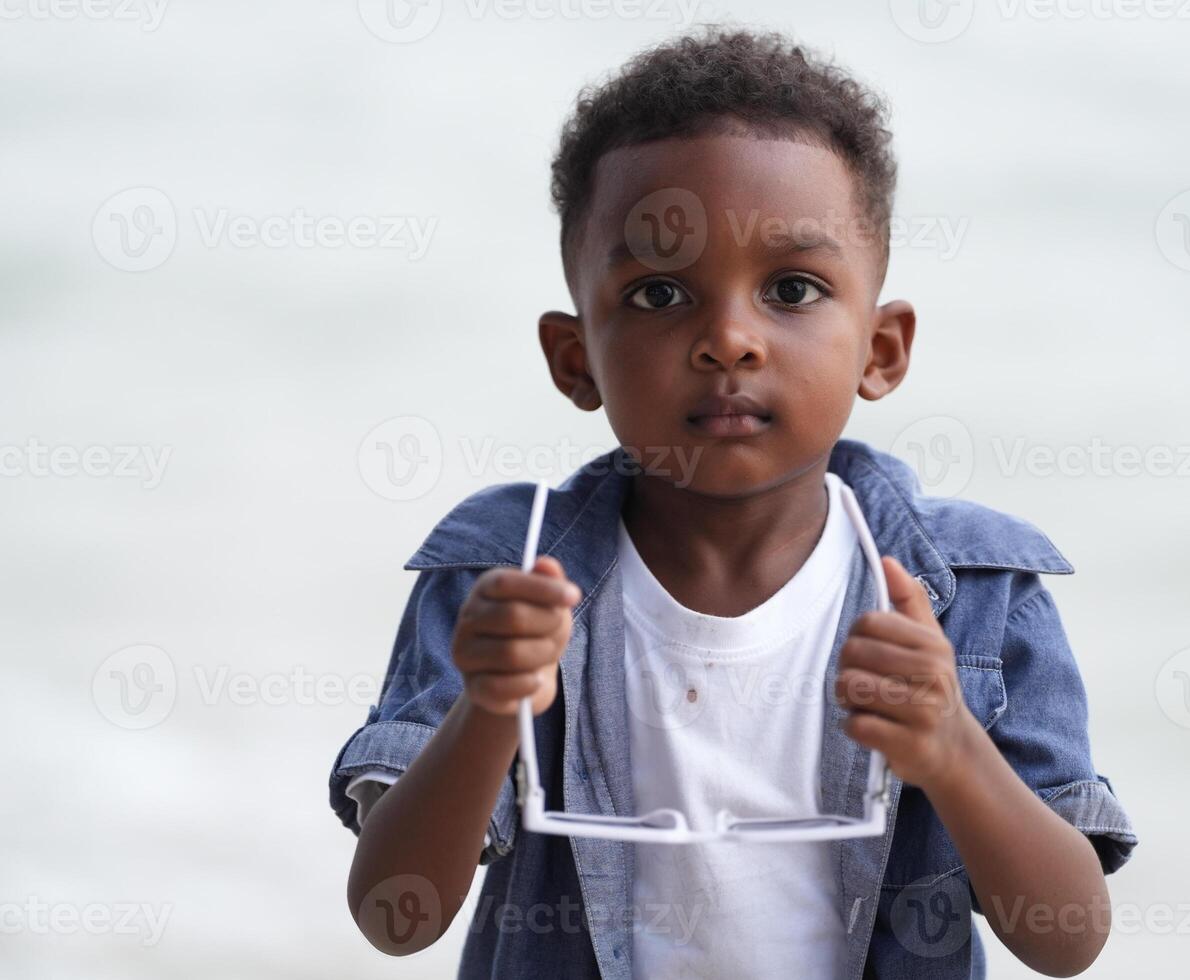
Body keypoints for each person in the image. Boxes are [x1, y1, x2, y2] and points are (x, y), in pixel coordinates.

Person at [328, 26, 1137, 979]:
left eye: (792, 289)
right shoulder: (503, 578)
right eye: (661, 293)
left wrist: (952, 745)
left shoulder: (971, 597)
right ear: (574, 357)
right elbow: (396, 916)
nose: (729, 340)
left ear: (881, 350)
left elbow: (1068, 937)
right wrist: (489, 707)